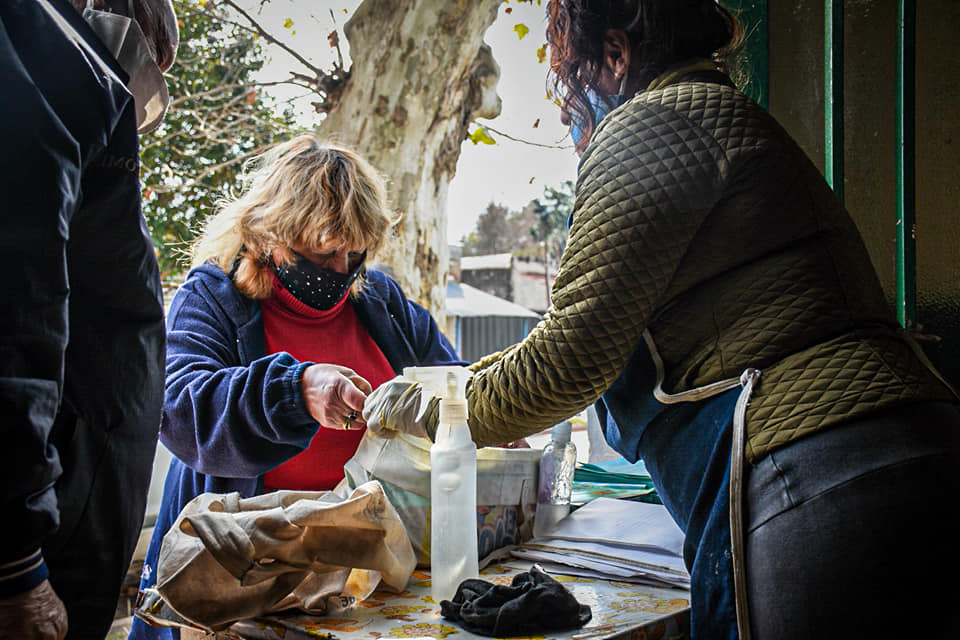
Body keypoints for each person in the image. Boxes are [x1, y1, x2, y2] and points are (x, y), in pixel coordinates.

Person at [363, 1, 960, 638]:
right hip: (915, 446)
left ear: (615, 57)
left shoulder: (652, 124)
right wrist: (459, 387)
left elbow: (569, 357)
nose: (575, 115)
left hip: (814, 476)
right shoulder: (730, 118)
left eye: (574, 83)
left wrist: (437, 409)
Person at [129, 135, 462, 640]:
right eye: (325, 253)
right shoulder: (212, 297)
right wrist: (293, 390)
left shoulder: (382, 301)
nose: (341, 271)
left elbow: (453, 381)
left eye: (356, 254)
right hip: (243, 568)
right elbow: (179, 409)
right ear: (268, 236)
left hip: (366, 570)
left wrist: (481, 416)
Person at [0, 0, 178, 638]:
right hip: (40, 552)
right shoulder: (48, 69)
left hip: (69, 537)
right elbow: (18, 307)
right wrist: (16, 565)